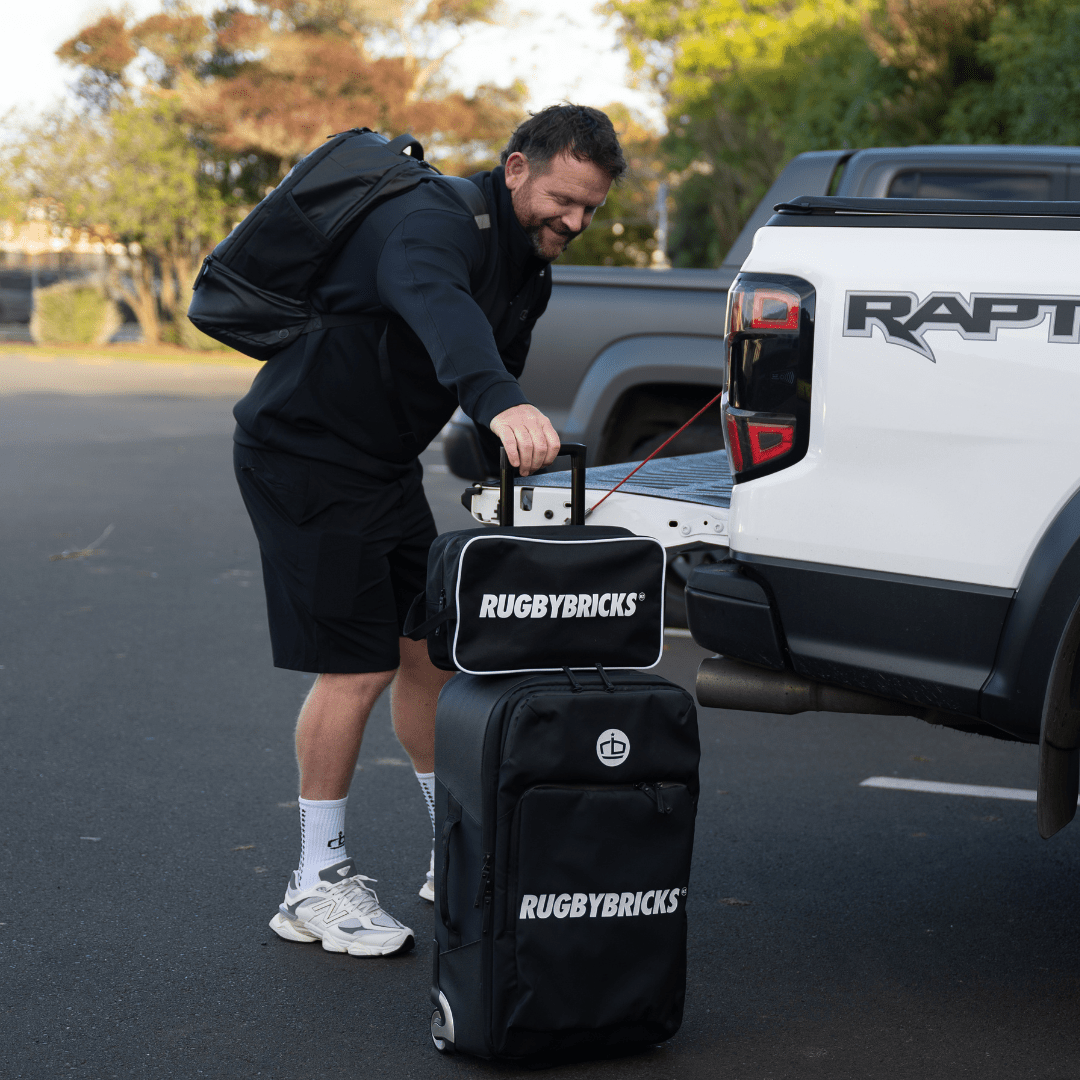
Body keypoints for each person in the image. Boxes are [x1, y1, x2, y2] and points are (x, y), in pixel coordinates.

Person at [232, 105, 626, 957]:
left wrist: (519, 461)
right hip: (301, 454)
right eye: (563, 198)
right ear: (515, 167)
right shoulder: (429, 221)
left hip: (377, 466)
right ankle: (313, 884)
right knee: (359, 664)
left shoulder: (529, 268)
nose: (575, 221)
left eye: (591, 209)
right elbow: (446, 321)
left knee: (433, 651)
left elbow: (491, 373)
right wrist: (501, 400)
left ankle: (453, 849)